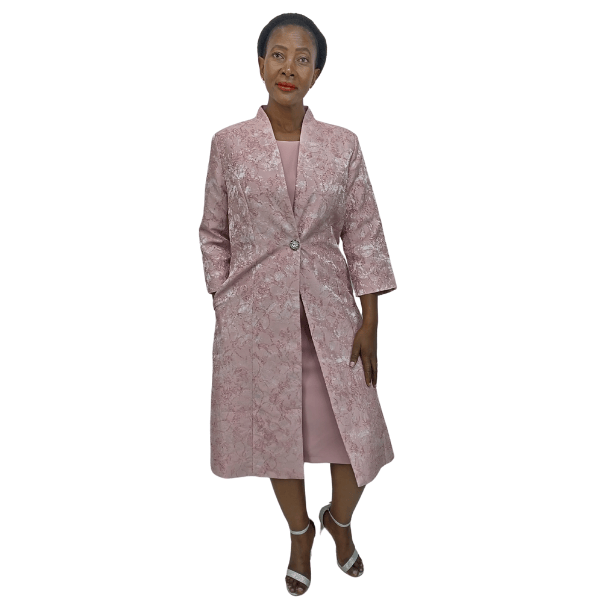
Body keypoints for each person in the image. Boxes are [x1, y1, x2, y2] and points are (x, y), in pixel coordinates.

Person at [199, 13, 397, 596]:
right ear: (261, 63)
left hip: (331, 315)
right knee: (276, 437)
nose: (289, 67)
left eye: (302, 58)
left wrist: (371, 320)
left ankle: (339, 519)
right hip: (257, 320)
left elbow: (364, 233)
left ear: (316, 73)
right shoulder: (229, 145)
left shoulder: (343, 146)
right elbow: (213, 232)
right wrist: (225, 299)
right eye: (279, 54)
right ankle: (300, 532)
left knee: (356, 438)